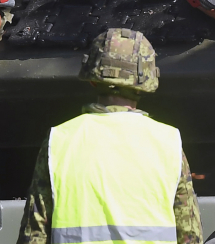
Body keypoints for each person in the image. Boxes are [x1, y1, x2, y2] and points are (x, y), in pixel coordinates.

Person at [20, 28, 201, 244]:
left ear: (92, 79)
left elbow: (34, 235)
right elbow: (190, 235)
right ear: (148, 81)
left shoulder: (59, 141)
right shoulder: (168, 143)